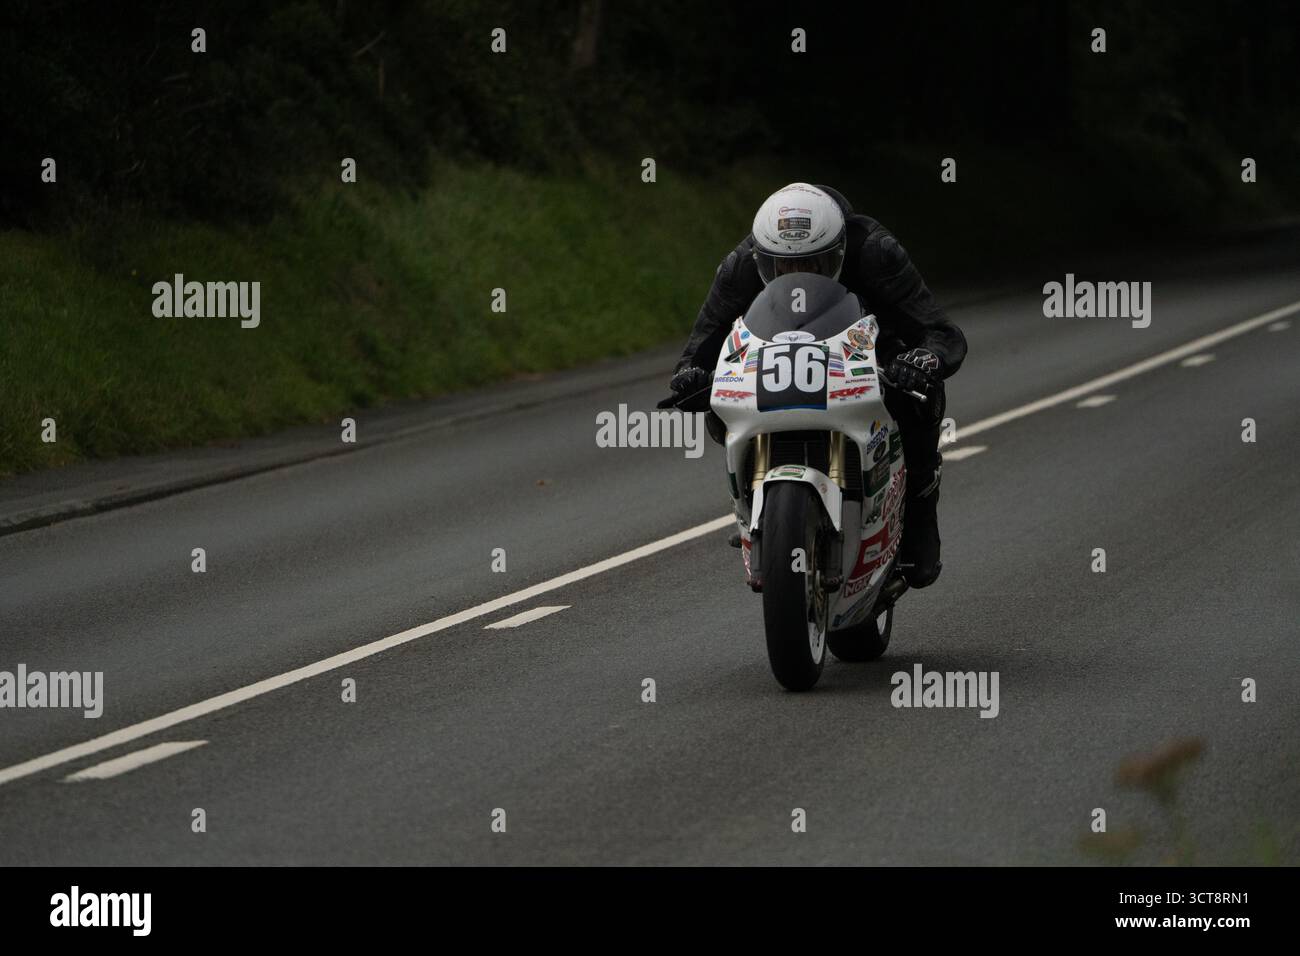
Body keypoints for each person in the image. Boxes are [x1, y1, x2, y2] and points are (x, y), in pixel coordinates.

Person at [665, 182, 967, 588]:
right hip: (771, 354)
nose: (797, 277)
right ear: (762, 259)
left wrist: (923, 360)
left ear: (839, 252)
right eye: (782, 268)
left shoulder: (876, 251)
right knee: (716, 406)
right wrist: (691, 377)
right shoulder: (740, 265)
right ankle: (754, 509)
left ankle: (919, 505)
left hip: (870, 346)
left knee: (920, 396)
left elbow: (941, 333)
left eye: (815, 264)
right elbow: (698, 348)